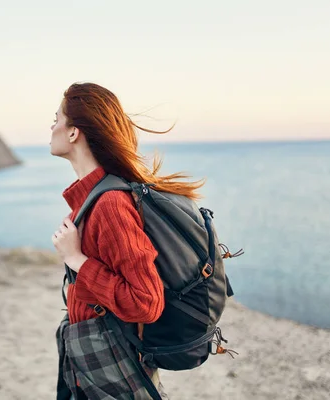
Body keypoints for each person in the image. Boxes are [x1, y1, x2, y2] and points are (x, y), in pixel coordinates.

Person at [50, 82, 204, 399]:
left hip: (113, 372)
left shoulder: (110, 205)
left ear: (74, 132)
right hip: (91, 368)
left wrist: (76, 260)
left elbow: (146, 302)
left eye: (56, 119)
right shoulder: (93, 199)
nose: (51, 127)